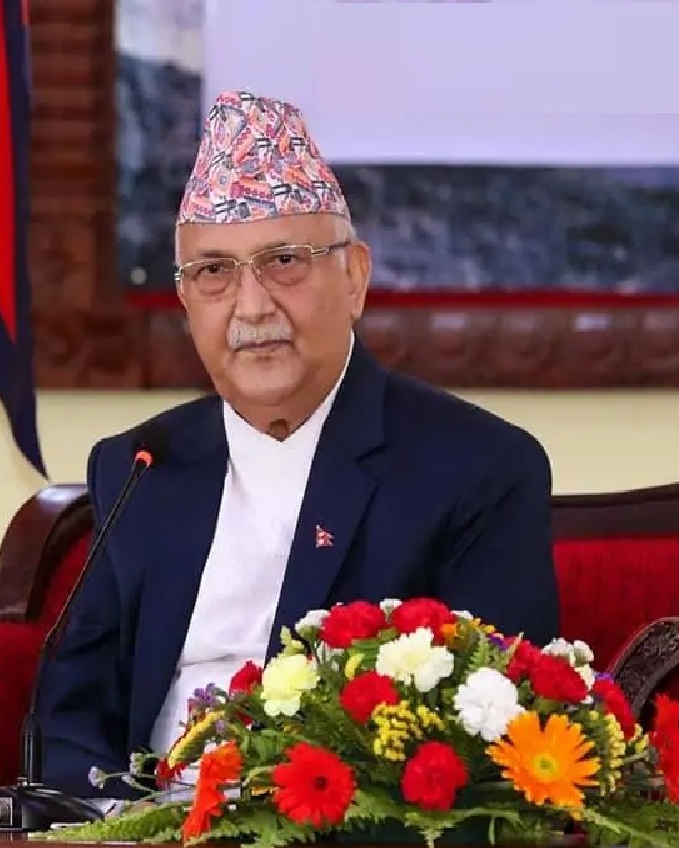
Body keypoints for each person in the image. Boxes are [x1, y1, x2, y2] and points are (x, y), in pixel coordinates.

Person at [37, 90, 560, 799]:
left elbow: (487, 742)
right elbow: (68, 723)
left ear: (355, 279)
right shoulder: (140, 467)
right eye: (214, 272)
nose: (252, 307)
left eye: (284, 261)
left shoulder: (477, 470)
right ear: (186, 299)